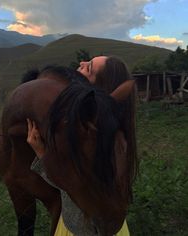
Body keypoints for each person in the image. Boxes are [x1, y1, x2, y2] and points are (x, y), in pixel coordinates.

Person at [27, 56, 137, 236]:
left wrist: (42, 156)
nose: (81, 64)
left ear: (98, 88)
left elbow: (70, 185)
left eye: (89, 68)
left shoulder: (94, 138)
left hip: (80, 230)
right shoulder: (115, 130)